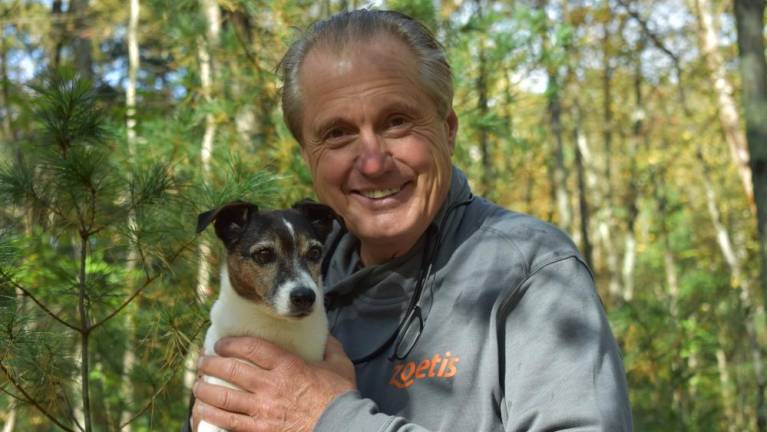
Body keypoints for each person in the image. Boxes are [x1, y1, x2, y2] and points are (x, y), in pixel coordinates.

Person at [189, 9, 633, 432]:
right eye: (337, 133)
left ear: (449, 130)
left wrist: (329, 419)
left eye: (397, 121)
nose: (373, 161)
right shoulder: (297, 290)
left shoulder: (530, 270)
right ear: (308, 156)